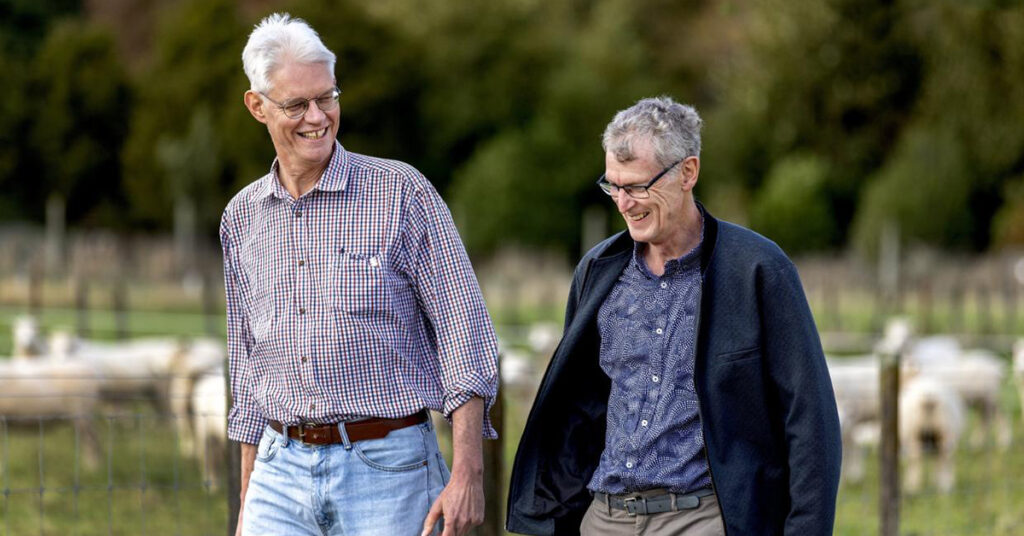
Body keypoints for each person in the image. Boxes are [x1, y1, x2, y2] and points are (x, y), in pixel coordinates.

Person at [506, 96, 841, 535]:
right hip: (605, 518)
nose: (625, 203)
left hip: (703, 518)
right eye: (614, 187)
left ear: (688, 172)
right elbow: (575, 409)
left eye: (639, 186)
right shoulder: (596, 271)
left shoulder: (758, 270)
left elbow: (810, 419)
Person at [222, 13, 499, 536]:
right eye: (296, 104)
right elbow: (247, 364)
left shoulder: (402, 193)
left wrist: (467, 472)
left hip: (389, 471)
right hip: (277, 474)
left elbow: (466, 335)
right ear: (257, 107)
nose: (317, 117)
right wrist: (247, 496)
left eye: (327, 97)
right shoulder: (241, 217)